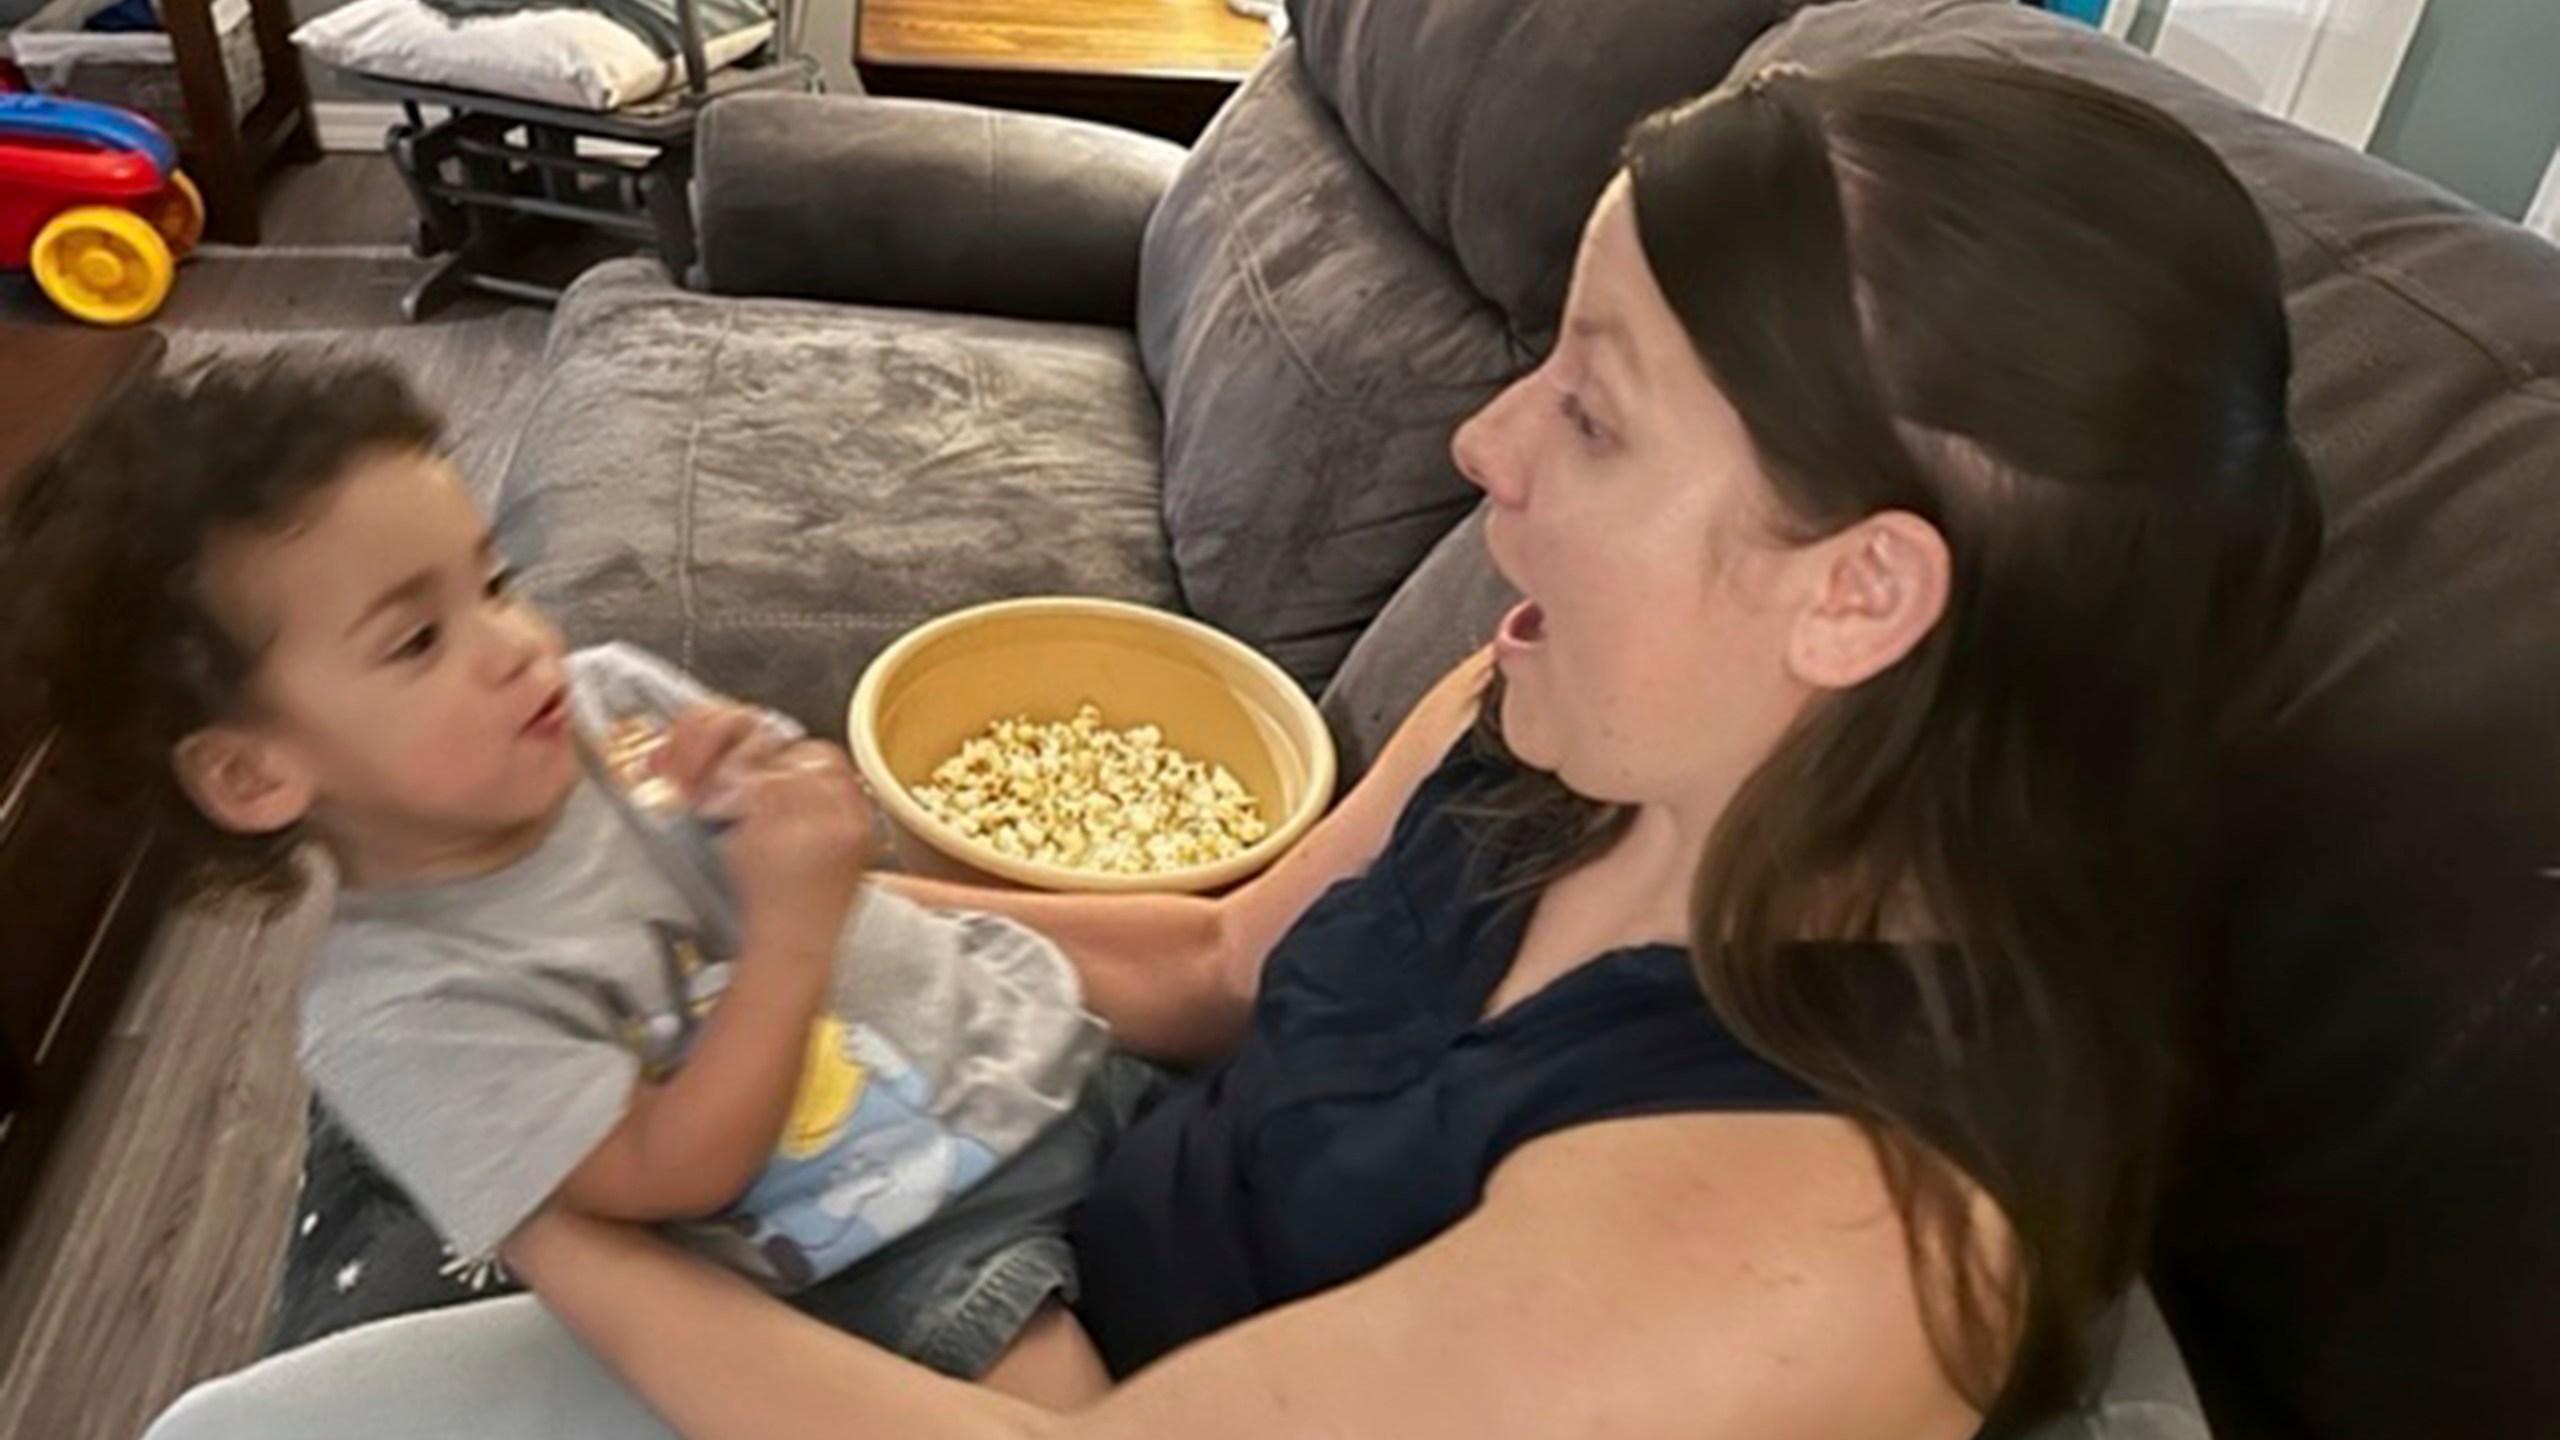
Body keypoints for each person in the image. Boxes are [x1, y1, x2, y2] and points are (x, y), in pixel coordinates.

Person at [137, 52, 2321, 1440]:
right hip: (1062, 1201)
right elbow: (1219, 967)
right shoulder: (1554, 706)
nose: (1482, 443)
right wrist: (722, 902)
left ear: (1855, 589)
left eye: (1588, 402)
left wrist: (569, 1210)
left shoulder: (1802, 1250)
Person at [0, 356, 1146, 1406]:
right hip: (910, 1238)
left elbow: (804, 815)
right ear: (254, 774)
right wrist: (790, 929)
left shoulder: (605, 700)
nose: (514, 644)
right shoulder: (402, 1016)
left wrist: (779, 776)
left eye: (492, 582)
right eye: (416, 642)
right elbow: (667, 1172)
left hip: (1032, 1030)